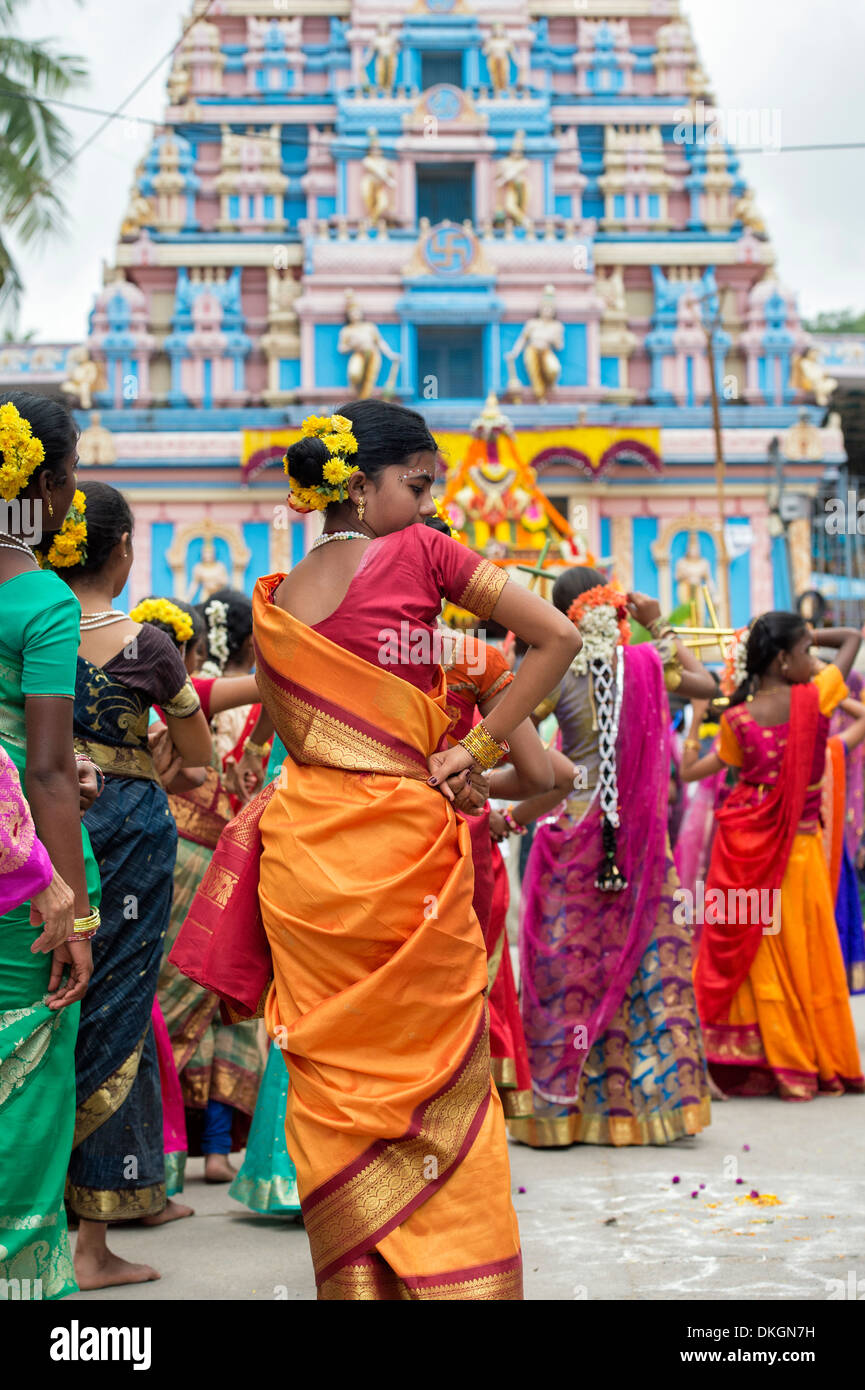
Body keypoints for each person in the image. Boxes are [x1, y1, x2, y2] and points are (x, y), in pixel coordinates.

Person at [174, 401, 580, 1299]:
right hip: (402, 849)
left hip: (301, 861)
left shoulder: (276, 601)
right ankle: (455, 1278)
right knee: (434, 1074)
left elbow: (270, 720)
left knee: (327, 1082)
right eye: (418, 485)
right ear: (358, 487)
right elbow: (559, 636)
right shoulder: (428, 555)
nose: (430, 507)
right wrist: (474, 750)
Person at [48, 483, 212, 1288]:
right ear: (120, 550)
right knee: (115, 1013)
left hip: (42, 828)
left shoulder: (31, 629)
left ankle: (32, 1223)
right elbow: (202, 756)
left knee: (44, 1003)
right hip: (135, 829)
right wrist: (148, 767)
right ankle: (93, 1247)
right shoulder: (149, 645)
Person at [508, 570, 717, 1148]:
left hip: (573, 830)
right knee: (642, 964)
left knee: (571, 966)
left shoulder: (553, 669)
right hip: (641, 841)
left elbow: (511, 731)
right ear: (615, 607)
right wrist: (658, 623)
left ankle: (559, 1110)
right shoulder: (649, 665)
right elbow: (705, 687)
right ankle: (644, 1105)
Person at [0, 392, 98, 1300]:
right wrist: (71, 904)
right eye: (67, 477)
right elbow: (48, 770)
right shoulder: (40, 600)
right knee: (27, 1069)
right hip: (18, 872)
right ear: (41, 485)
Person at [693, 613, 865, 1100]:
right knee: (804, 952)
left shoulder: (735, 719)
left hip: (747, 848)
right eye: (807, 651)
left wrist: (776, 636)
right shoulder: (818, 696)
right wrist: (804, 628)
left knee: (759, 948)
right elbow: (853, 636)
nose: (815, 660)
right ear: (785, 658)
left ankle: (763, 1058)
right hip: (801, 850)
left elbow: (717, 774)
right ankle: (807, 1056)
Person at [145, 597, 265, 1187]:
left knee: (161, 1006)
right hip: (231, 870)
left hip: (164, 865)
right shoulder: (228, 704)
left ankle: (161, 1161)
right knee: (229, 1004)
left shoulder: (158, 702)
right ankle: (216, 1151)